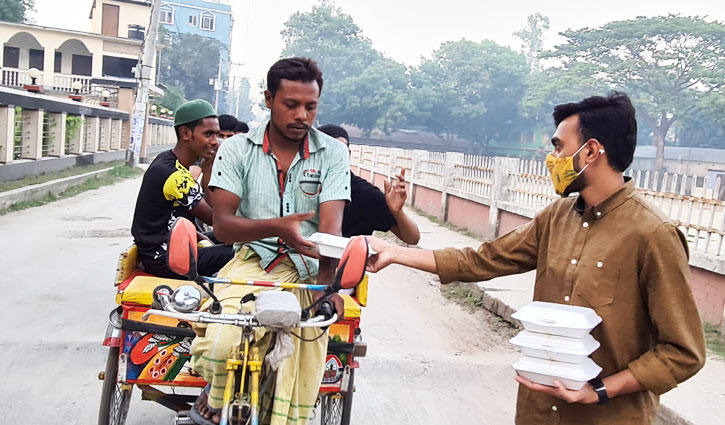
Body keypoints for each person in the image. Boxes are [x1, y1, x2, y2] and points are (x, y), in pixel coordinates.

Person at [363, 92, 706, 425]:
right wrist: (396, 253)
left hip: (607, 417)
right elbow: (482, 260)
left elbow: (683, 352)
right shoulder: (557, 217)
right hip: (538, 413)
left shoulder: (652, 234)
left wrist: (598, 391)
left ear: (590, 152)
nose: (550, 156)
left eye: (559, 147)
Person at [190, 58, 350, 425]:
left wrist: (329, 287)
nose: (302, 116)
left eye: (310, 106)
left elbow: (330, 230)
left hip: (309, 273)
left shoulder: (333, 153)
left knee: (297, 370)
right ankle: (216, 396)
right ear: (268, 99)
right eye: (290, 104)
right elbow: (224, 226)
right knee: (219, 347)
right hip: (250, 265)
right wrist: (278, 228)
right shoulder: (236, 150)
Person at [131, 99, 234, 279]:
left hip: (175, 244)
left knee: (235, 239)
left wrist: (208, 167)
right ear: (185, 133)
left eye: (216, 135)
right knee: (245, 251)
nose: (215, 142)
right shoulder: (173, 175)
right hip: (166, 258)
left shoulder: (169, 160)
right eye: (208, 134)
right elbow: (217, 219)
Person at [317, 124, 420, 245]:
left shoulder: (366, 195)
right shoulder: (295, 186)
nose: (333, 157)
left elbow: (412, 238)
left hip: (348, 262)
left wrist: (398, 212)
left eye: (340, 151)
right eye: (326, 151)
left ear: (348, 154)